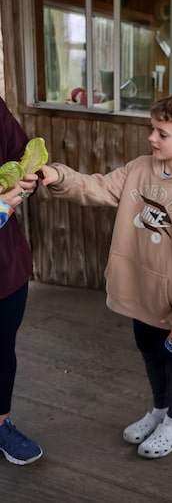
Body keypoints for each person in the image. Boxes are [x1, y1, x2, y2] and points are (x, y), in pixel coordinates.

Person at [39, 92, 172, 459]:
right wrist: (58, 175)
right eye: (153, 129)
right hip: (140, 292)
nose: (152, 138)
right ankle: (159, 411)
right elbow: (97, 186)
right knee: (151, 355)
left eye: (163, 134)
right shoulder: (139, 167)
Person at [0, 96, 42, 465]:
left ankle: (1, 423)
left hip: (5, 266)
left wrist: (29, 179)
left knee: (1, 350)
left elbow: (21, 153)